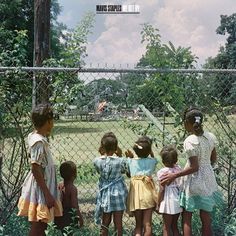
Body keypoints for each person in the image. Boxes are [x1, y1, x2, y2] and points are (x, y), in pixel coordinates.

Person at [161, 107, 221, 236]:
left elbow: (194, 167)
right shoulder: (210, 137)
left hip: (193, 181)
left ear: (187, 123)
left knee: (187, 217)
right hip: (208, 180)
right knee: (206, 218)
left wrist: (174, 175)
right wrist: (206, 166)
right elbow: (213, 158)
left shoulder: (190, 141)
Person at [18, 103, 62, 236]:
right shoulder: (38, 142)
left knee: (41, 224)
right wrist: (47, 194)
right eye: (52, 120)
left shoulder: (37, 137)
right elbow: (35, 168)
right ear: (49, 121)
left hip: (43, 187)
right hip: (41, 190)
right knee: (39, 225)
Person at [94, 132, 128, 236]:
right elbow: (123, 170)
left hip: (105, 194)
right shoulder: (121, 161)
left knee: (105, 222)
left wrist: (102, 153)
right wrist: (120, 155)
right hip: (118, 193)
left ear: (102, 147)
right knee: (118, 223)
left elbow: (100, 170)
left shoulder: (97, 161)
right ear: (116, 148)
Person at [125, 136, 158, 236]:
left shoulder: (131, 162)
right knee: (147, 224)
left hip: (135, 197)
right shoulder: (152, 161)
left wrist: (130, 157)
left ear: (135, 151)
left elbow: (128, 173)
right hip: (148, 195)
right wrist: (150, 152)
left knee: (138, 225)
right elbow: (153, 158)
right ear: (149, 151)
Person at [156, 145, 182, 236]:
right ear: (176, 160)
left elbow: (162, 190)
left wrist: (158, 204)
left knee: (166, 227)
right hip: (178, 199)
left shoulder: (162, 172)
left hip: (167, 200)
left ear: (163, 161)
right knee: (175, 226)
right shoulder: (178, 169)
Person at [54, 161, 84, 231]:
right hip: (69, 215)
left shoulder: (60, 185)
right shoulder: (72, 188)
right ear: (75, 174)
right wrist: (80, 217)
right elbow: (74, 205)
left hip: (59, 213)